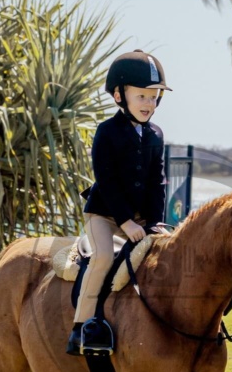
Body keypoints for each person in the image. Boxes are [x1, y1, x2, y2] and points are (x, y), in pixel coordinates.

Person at [67, 50, 170, 355]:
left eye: (154, 97)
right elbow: (107, 181)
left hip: (139, 219)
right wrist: (125, 221)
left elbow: (157, 183)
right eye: (142, 96)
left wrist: (154, 224)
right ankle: (80, 328)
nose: (149, 104)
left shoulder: (156, 135)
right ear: (118, 96)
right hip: (104, 214)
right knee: (102, 259)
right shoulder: (106, 132)